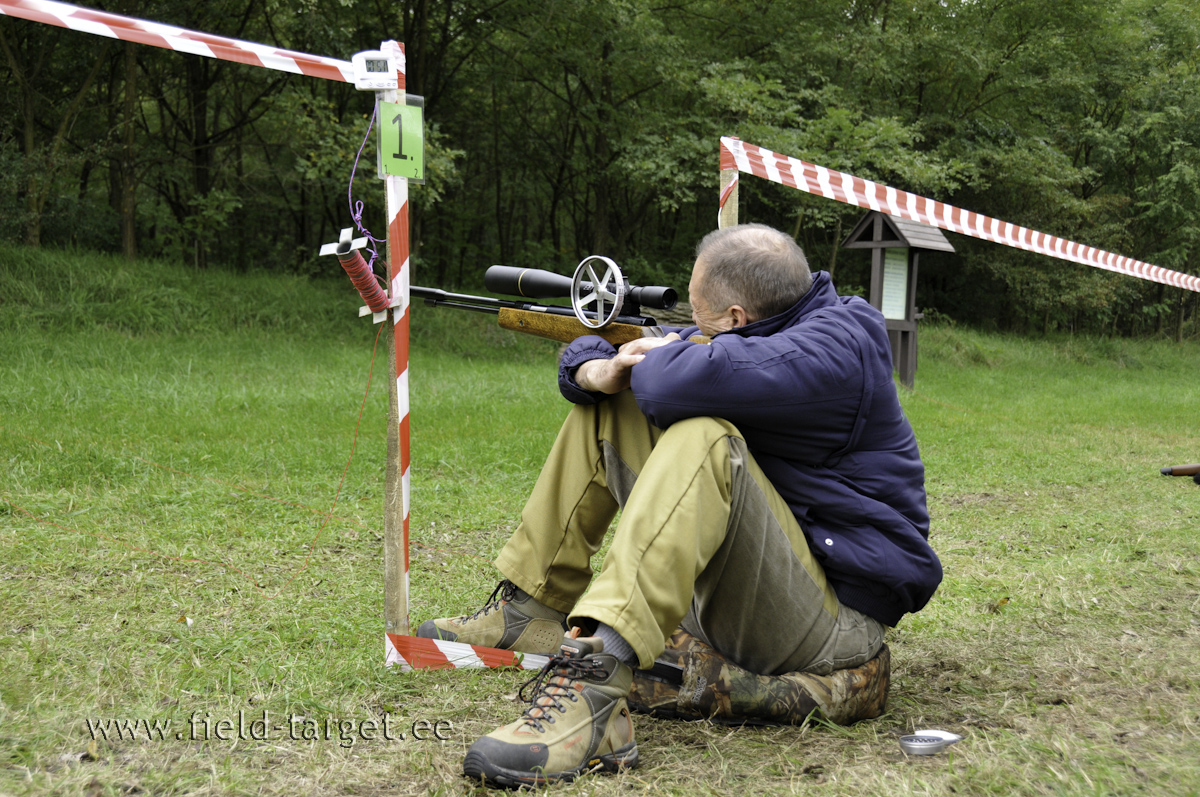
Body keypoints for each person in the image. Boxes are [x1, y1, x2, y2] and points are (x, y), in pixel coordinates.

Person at [417, 223, 943, 788]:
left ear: (739, 318)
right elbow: (624, 367)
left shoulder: (835, 347)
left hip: (831, 624)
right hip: (761, 582)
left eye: (702, 318)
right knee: (610, 407)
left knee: (705, 438)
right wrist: (599, 367)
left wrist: (634, 358)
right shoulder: (766, 327)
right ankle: (530, 609)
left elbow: (671, 386)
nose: (693, 328)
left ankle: (595, 690)